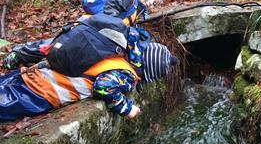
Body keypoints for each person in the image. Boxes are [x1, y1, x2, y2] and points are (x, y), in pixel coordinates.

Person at [3, 0, 164, 70]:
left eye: (153, 1)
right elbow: (110, 8)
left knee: (71, 50)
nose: (150, 2)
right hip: (89, 27)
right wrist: (116, 26)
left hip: (100, 34)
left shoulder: (138, 9)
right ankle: (19, 54)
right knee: (57, 45)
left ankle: (47, 64)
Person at [0, 41, 178, 121]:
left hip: (38, 72)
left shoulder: (118, 53)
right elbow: (103, 87)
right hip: (40, 92)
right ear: (150, 72)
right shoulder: (127, 75)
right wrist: (127, 108)